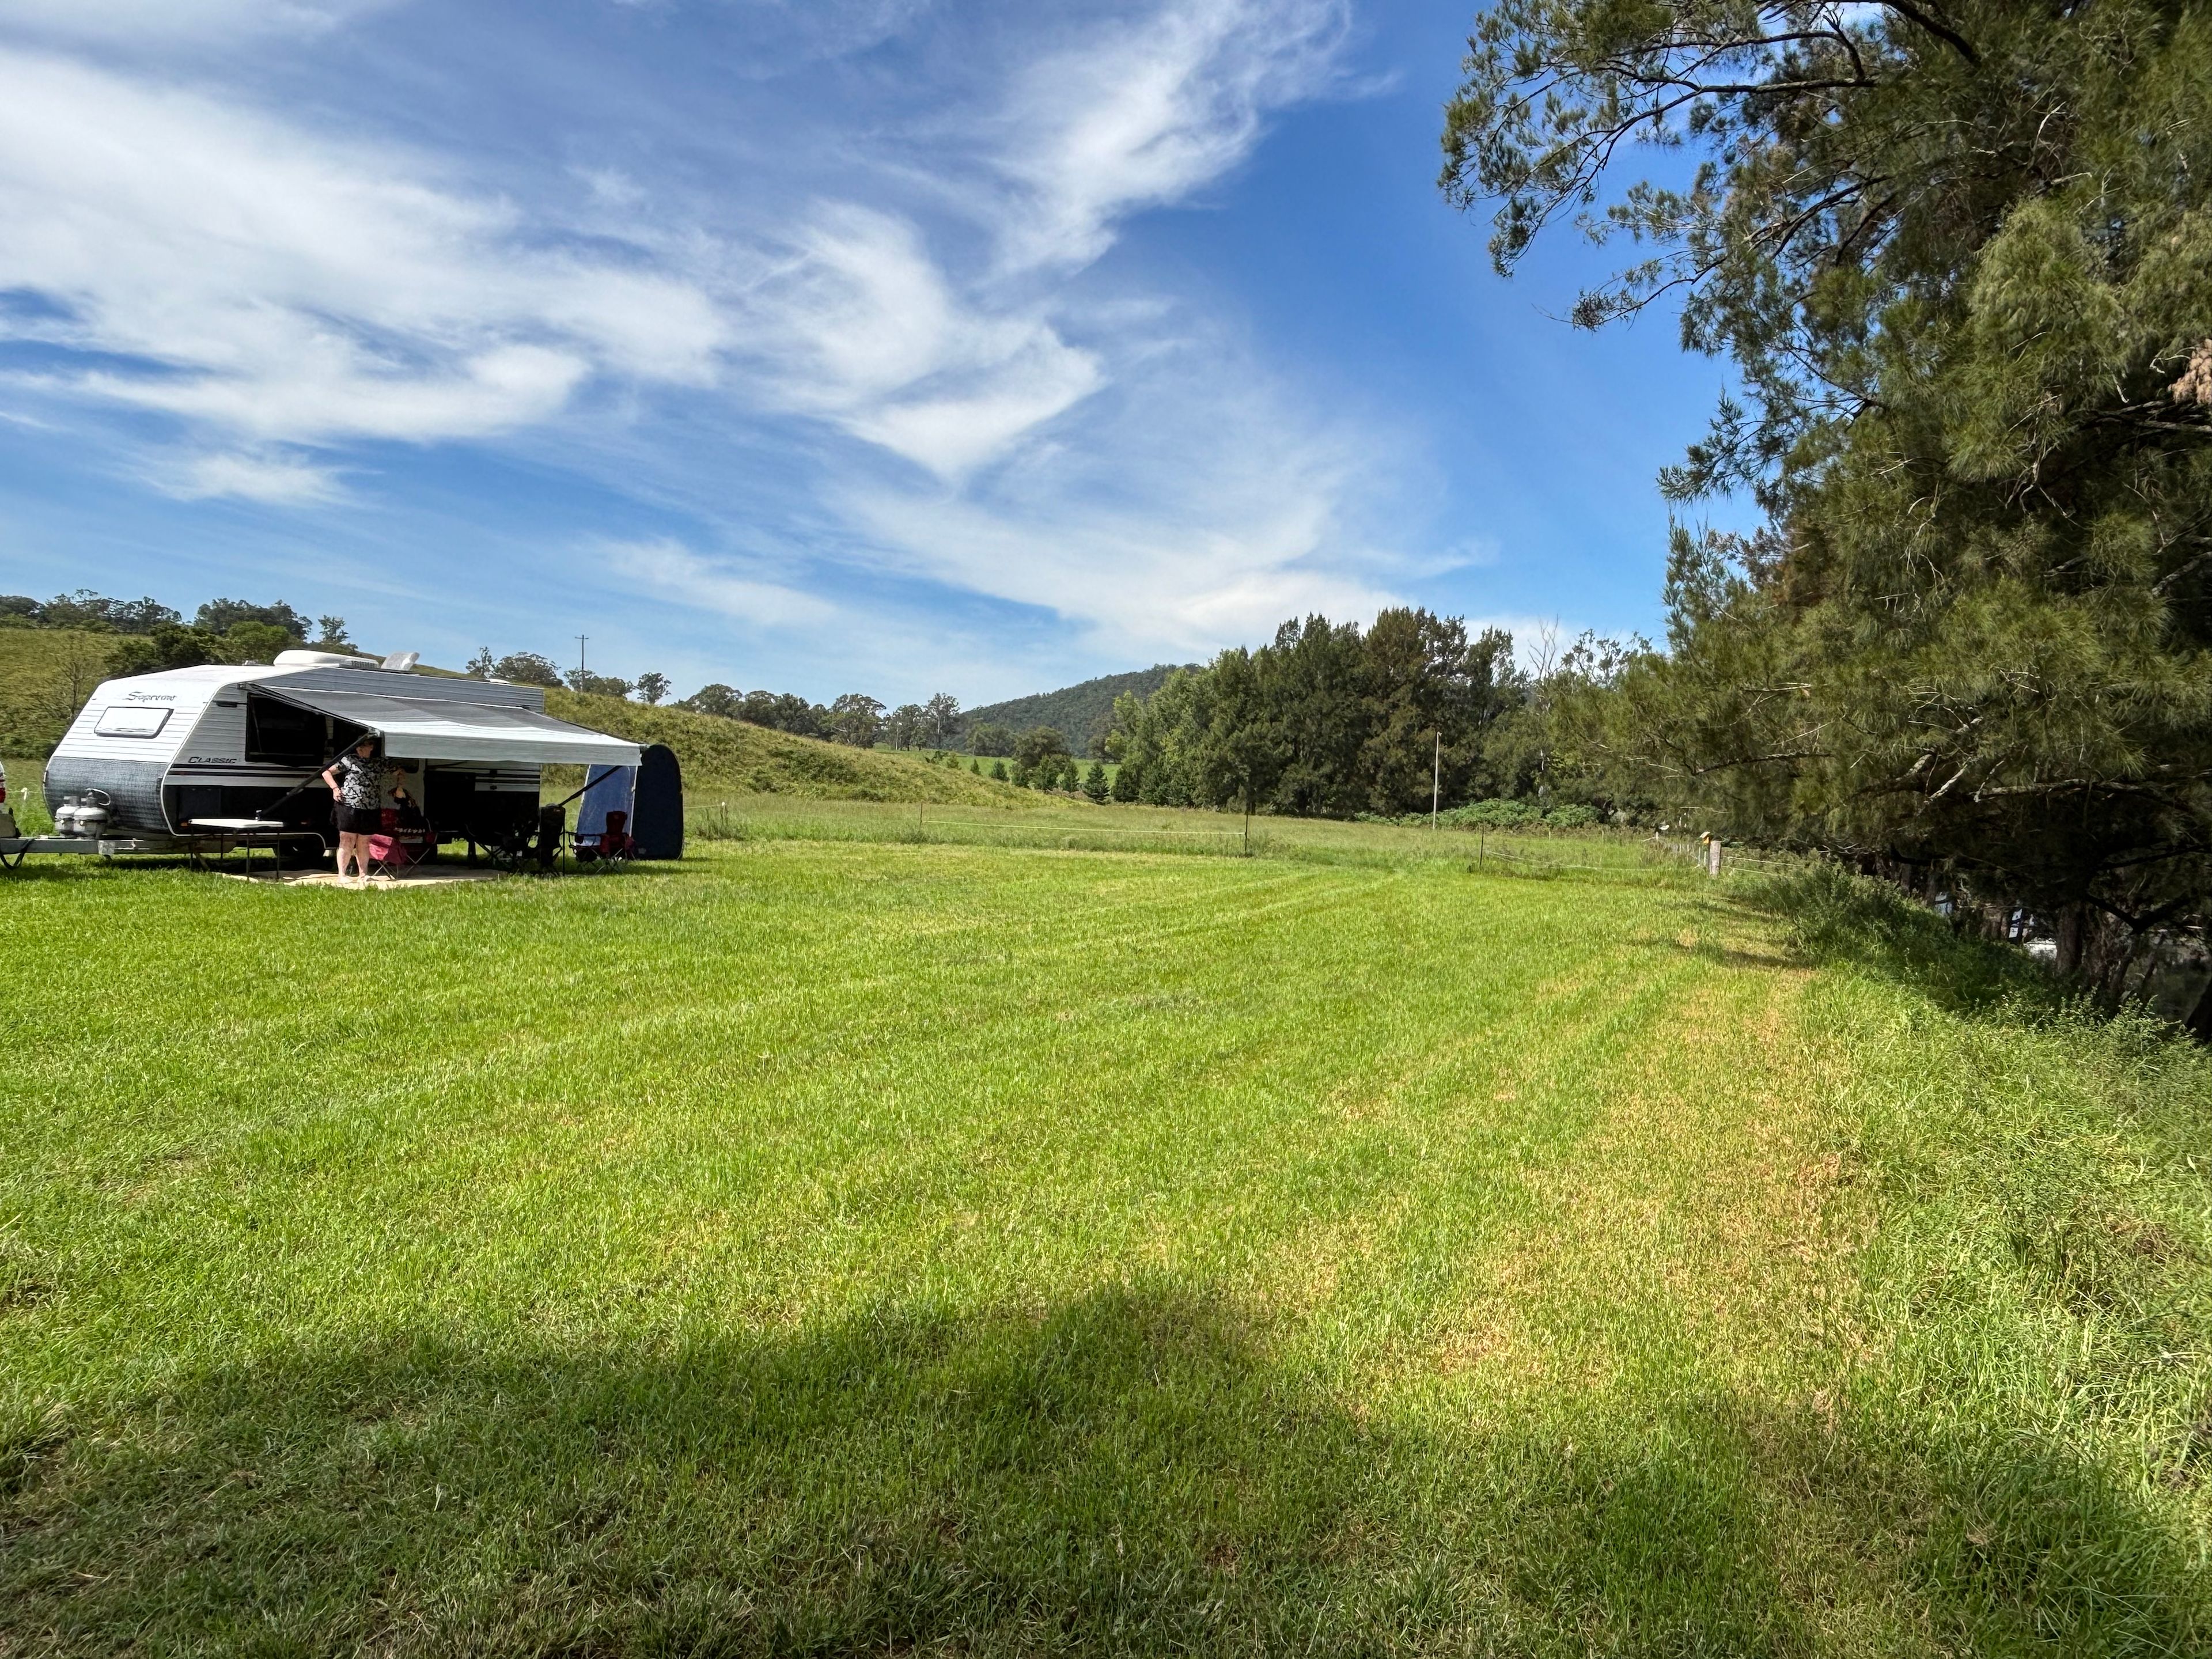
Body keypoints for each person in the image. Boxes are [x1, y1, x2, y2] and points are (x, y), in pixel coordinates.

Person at [323, 736, 401, 885]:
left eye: (364, 746)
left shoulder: (379, 763)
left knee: (364, 841)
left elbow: (400, 772)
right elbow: (326, 773)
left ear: (371, 747)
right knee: (347, 839)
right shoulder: (349, 760)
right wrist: (335, 788)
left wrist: (399, 787)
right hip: (349, 805)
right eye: (358, 746)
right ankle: (342, 875)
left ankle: (363, 875)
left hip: (370, 807)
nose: (359, 749)